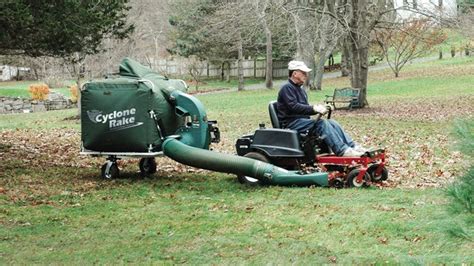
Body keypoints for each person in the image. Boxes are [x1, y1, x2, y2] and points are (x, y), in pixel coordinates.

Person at [276, 60, 366, 157]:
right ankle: (343, 151)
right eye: (303, 72)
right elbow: (294, 107)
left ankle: (352, 146)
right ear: (295, 73)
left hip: (301, 122)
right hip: (292, 124)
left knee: (332, 123)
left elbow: (303, 108)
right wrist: (314, 108)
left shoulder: (300, 90)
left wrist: (320, 108)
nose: (306, 75)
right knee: (321, 124)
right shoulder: (286, 88)